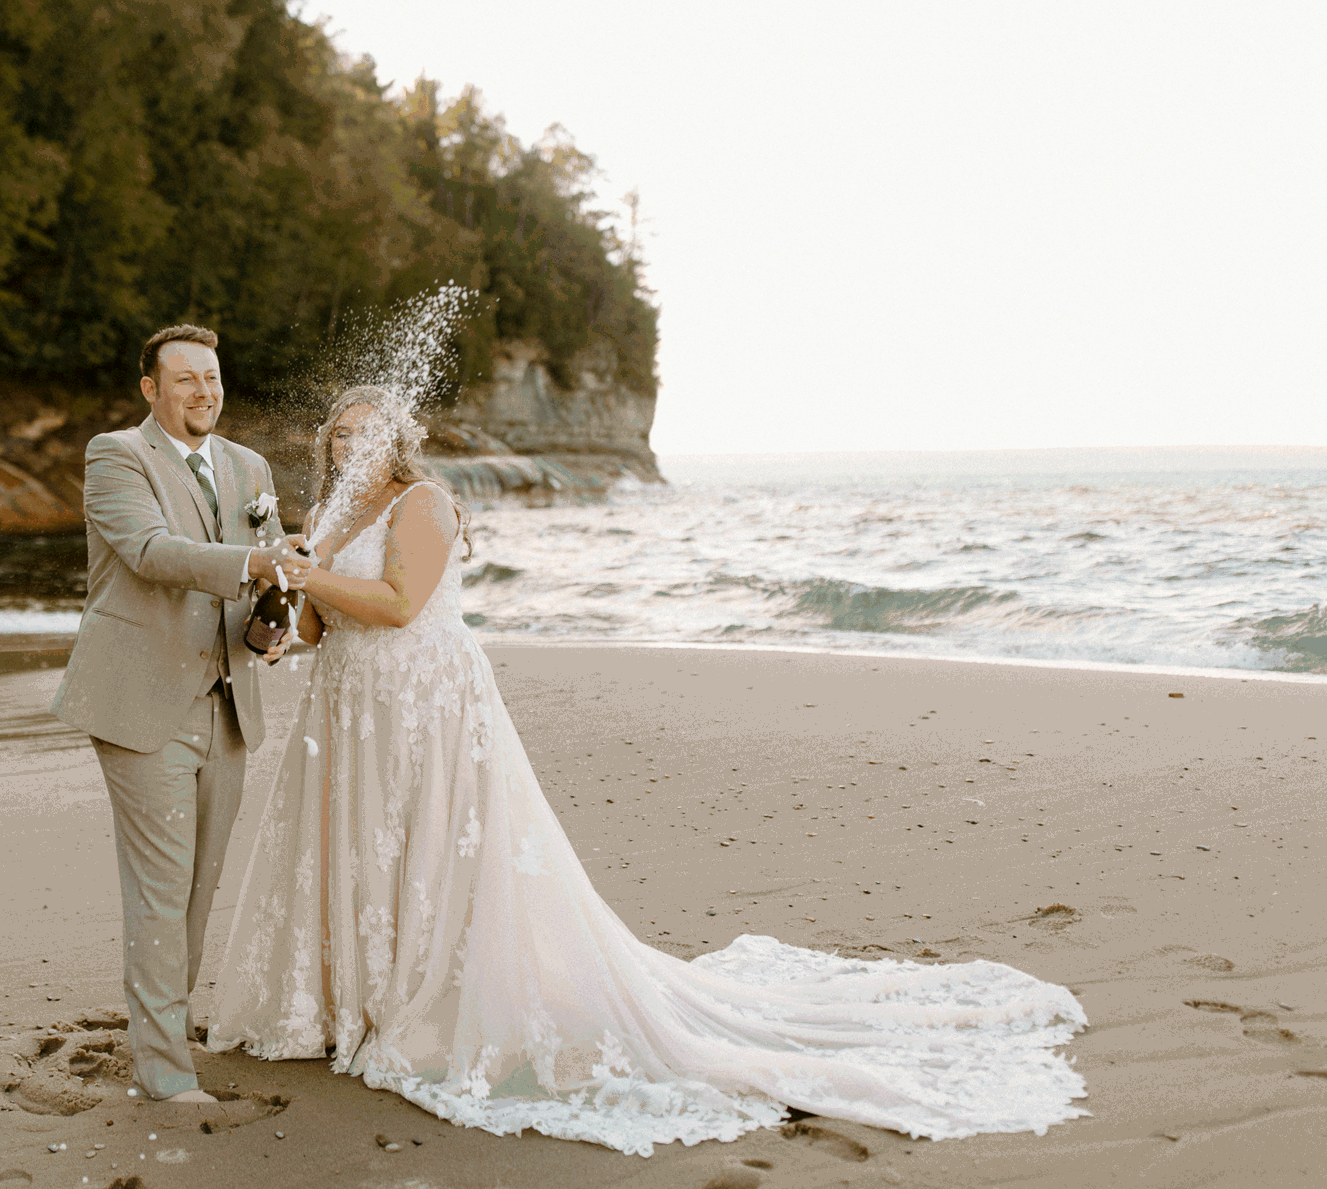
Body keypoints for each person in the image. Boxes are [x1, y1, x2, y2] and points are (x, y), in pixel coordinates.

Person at [208, 386, 1089, 1154]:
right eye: (340, 433)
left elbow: (400, 605)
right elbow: (320, 624)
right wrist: (285, 623)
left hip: (424, 705)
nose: (352, 444)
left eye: (368, 431)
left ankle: (426, 1001)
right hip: (350, 708)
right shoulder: (331, 516)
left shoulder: (423, 502)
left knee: (431, 848)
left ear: (395, 439)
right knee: (360, 847)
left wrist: (303, 572)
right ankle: (351, 1002)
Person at [50, 324, 311, 1103]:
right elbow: (150, 550)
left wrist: (273, 625)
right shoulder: (116, 455)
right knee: (160, 888)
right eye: (187, 379)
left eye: (213, 378)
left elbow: (270, 579)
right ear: (151, 388)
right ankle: (163, 1071)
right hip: (141, 701)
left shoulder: (249, 466)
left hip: (228, 703)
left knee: (199, 887)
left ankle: (166, 1025)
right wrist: (257, 560)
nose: (205, 392)